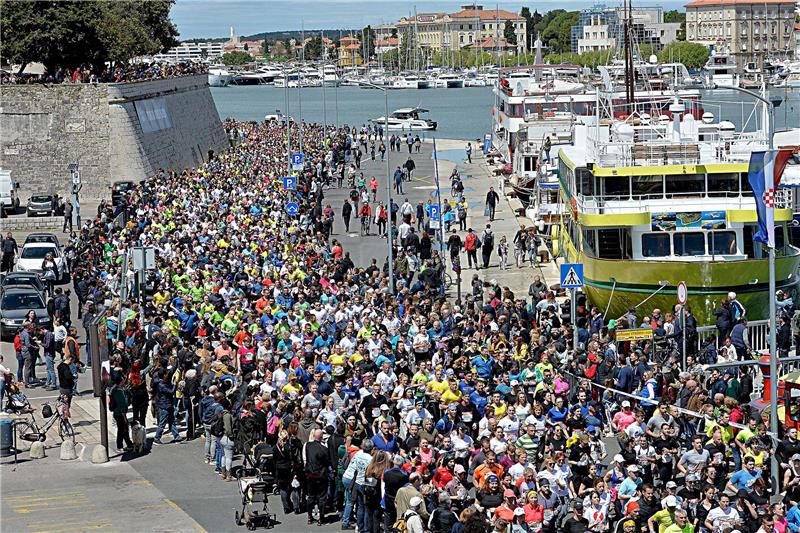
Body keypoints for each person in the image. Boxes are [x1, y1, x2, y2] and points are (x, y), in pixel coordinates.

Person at [305, 428, 331, 525]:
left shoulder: (308, 446)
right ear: (321, 437)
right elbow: (327, 462)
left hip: (310, 475)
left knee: (311, 496)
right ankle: (321, 518)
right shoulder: (324, 449)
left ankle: (310, 517)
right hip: (321, 476)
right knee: (321, 497)